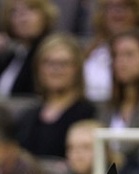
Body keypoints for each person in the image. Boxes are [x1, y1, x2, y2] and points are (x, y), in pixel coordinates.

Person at [16, 32, 96, 162]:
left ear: (77, 69)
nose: (55, 69)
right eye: (48, 63)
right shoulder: (27, 116)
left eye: (63, 63)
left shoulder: (89, 113)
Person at [83, 0, 139, 103]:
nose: (116, 13)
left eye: (124, 7)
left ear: (138, 12)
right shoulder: (93, 47)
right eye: (110, 7)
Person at [0, 0, 58, 97]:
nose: (23, 18)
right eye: (15, 11)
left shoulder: (51, 53)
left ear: (44, 15)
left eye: (31, 9)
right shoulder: (8, 57)